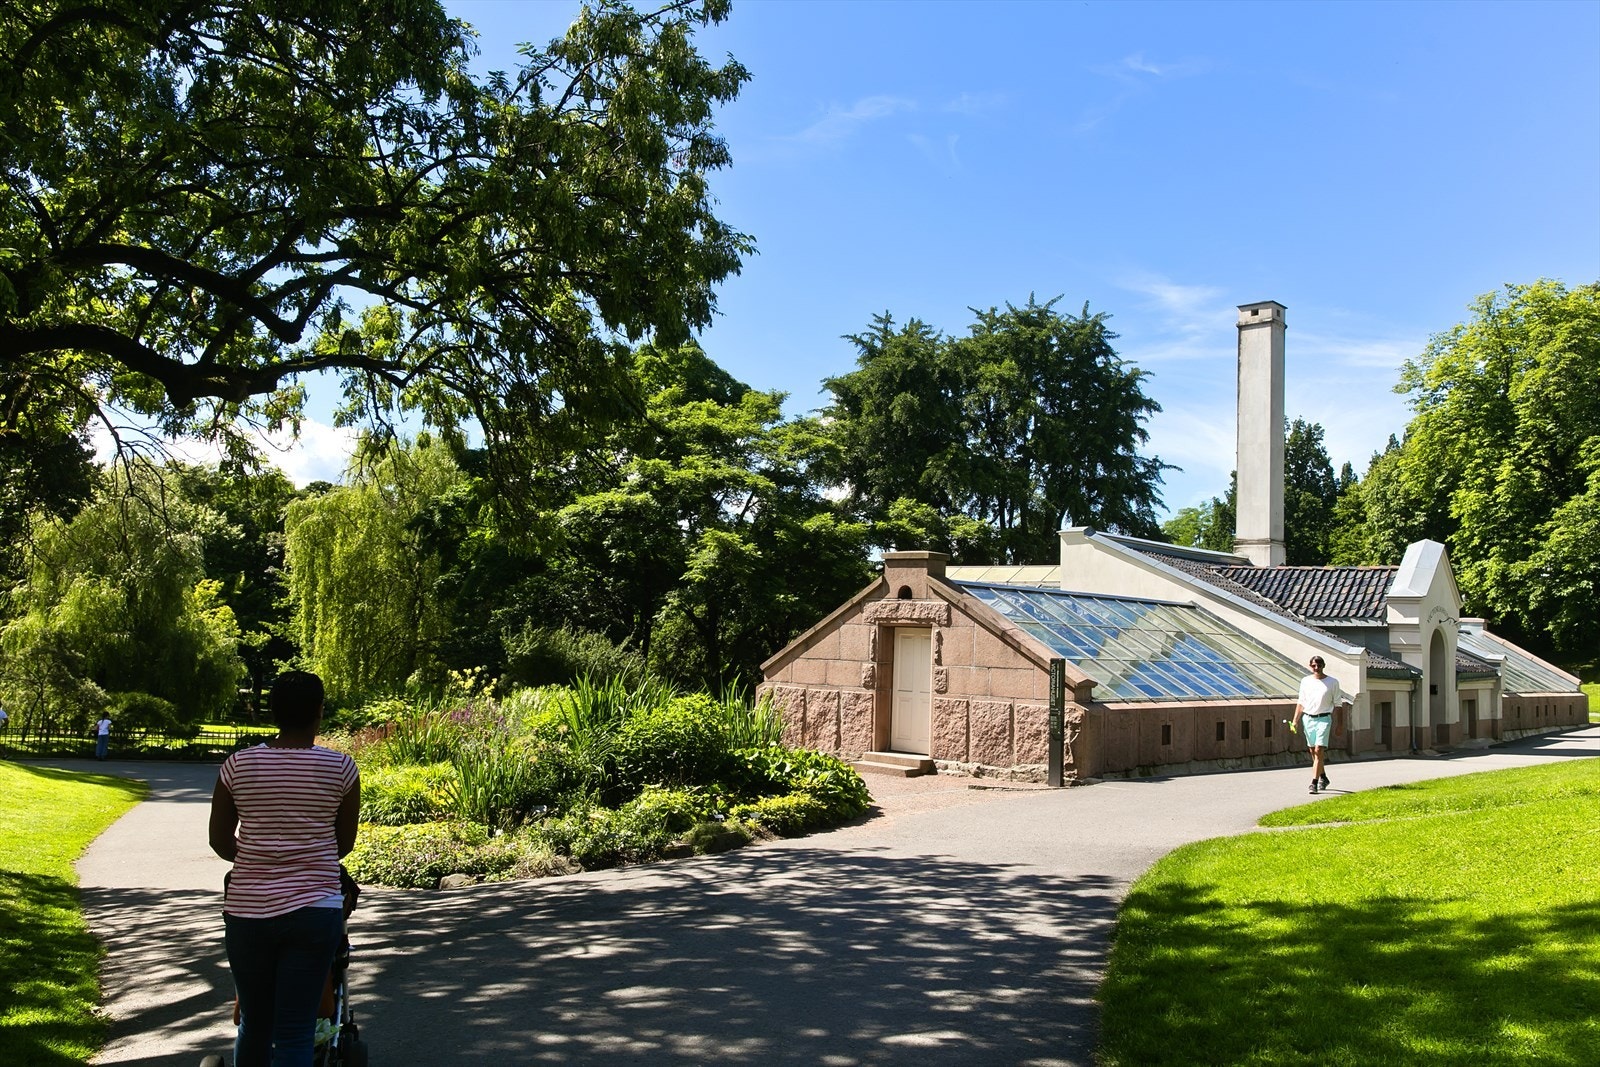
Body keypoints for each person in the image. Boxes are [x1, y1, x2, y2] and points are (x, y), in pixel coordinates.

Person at [209, 671, 360, 1067]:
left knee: (255, 1024)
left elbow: (220, 842)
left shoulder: (237, 765)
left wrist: (259, 857)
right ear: (319, 712)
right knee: (295, 1031)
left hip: (248, 912)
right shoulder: (341, 768)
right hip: (315, 910)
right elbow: (343, 844)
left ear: (272, 711)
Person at [1292, 655, 1350, 794]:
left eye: (1319, 665)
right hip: (1308, 719)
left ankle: (1314, 783)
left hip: (1324, 718)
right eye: (1313, 665)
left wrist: (1340, 724)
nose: (1316, 668)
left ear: (1324, 665)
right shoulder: (1305, 681)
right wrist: (1295, 720)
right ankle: (1323, 776)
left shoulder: (1332, 682)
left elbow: (1338, 704)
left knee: (1319, 750)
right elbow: (1301, 702)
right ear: (1310, 666)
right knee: (1313, 751)